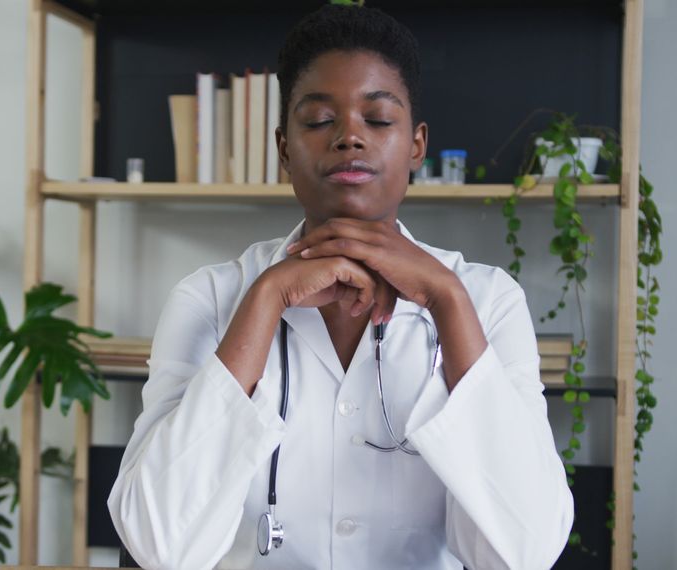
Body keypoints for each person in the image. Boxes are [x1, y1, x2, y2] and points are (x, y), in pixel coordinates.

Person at [108, 4, 573, 569]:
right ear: (283, 148)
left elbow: (524, 552)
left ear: (417, 146)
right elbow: (159, 546)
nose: (350, 137)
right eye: (319, 120)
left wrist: (447, 302)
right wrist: (264, 301)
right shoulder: (207, 301)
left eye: (377, 120)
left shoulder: (488, 301)